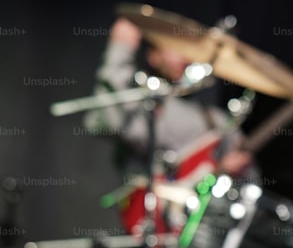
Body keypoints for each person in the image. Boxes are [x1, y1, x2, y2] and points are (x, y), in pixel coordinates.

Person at [84, 17, 257, 235]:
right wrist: (120, 51)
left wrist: (238, 171)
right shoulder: (145, 105)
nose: (184, 57)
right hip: (156, 228)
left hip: (206, 231)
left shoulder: (217, 120)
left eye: (189, 49)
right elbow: (107, 122)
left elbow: (252, 183)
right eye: (175, 49)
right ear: (153, 56)